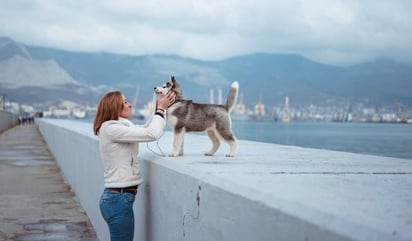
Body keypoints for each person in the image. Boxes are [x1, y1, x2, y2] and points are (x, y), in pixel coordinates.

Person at [93, 90, 175, 241]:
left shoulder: (115, 128)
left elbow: (144, 129)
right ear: (114, 107)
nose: (130, 104)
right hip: (118, 199)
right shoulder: (112, 129)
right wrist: (160, 110)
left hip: (118, 198)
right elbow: (151, 134)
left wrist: (159, 108)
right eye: (125, 102)